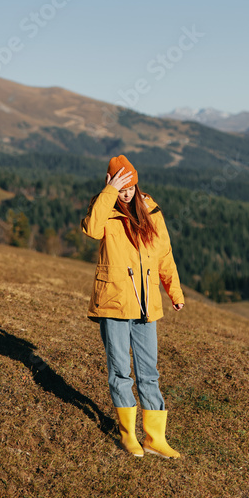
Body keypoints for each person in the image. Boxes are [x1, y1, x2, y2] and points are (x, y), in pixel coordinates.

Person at [81, 153, 185, 458]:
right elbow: (90, 228)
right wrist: (109, 192)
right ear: (111, 183)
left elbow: (164, 255)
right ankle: (129, 436)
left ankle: (155, 439)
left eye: (129, 187)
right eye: (120, 187)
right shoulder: (104, 209)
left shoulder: (151, 210)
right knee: (120, 371)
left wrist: (174, 293)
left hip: (147, 304)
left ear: (137, 185)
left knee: (149, 372)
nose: (126, 193)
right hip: (114, 302)